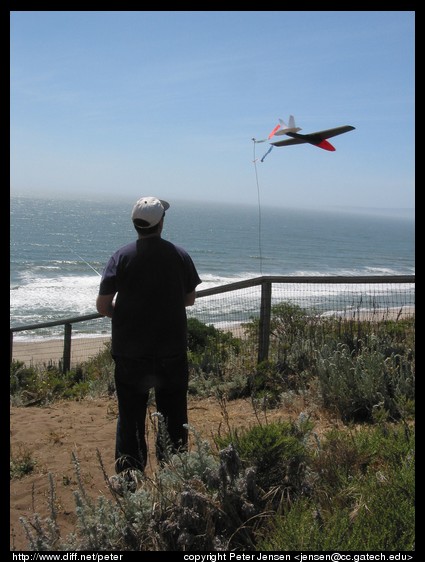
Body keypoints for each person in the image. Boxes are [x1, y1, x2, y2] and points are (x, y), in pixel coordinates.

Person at [96, 196, 202, 489]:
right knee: (174, 413)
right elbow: (190, 299)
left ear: (135, 224)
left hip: (131, 353)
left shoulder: (121, 256)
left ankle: (130, 477)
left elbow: (103, 306)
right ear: (161, 223)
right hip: (171, 351)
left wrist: (124, 316)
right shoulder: (179, 255)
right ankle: (174, 473)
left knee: (131, 415)